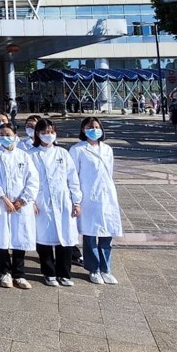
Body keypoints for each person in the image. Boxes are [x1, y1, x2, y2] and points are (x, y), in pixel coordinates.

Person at [70, 116, 123, 285]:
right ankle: (94, 269)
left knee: (107, 233)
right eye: (90, 127)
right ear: (83, 129)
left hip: (107, 195)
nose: (94, 130)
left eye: (96, 126)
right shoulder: (77, 150)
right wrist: (76, 199)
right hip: (88, 196)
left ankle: (106, 269)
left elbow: (109, 172)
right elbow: (73, 175)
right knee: (90, 234)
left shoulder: (107, 149)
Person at [30, 118, 81, 287]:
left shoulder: (62, 153)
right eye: (44, 132)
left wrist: (76, 201)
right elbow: (27, 180)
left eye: (51, 132)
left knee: (65, 238)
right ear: (38, 134)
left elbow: (73, 178)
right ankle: (49, 273)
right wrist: (31, 201)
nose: (48, 135)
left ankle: (64, 274)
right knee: (44, 238)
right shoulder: (30, 155)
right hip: (41, 201)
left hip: (63, 200)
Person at [0, 124, 39, 289]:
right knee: (2, 238)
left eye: (8, 134)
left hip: (21, 205)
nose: (5, 137)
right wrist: (4, 198)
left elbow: (33, 180)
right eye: (2, 134)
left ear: (15, 135)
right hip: (1, 203)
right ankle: (5, 272)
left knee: (20, 238)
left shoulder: (24, 156)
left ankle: (19, 274)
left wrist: (22, 200)